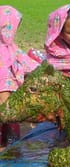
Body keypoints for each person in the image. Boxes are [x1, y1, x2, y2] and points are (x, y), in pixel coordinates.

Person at [0, 5, 40, 149]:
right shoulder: (6, 50)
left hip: (7, 98)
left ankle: (9, 146)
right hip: (6, 99)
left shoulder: (10, 47)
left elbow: (26, 61)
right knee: (9, 122)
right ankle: (10, 149)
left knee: (9, 123)